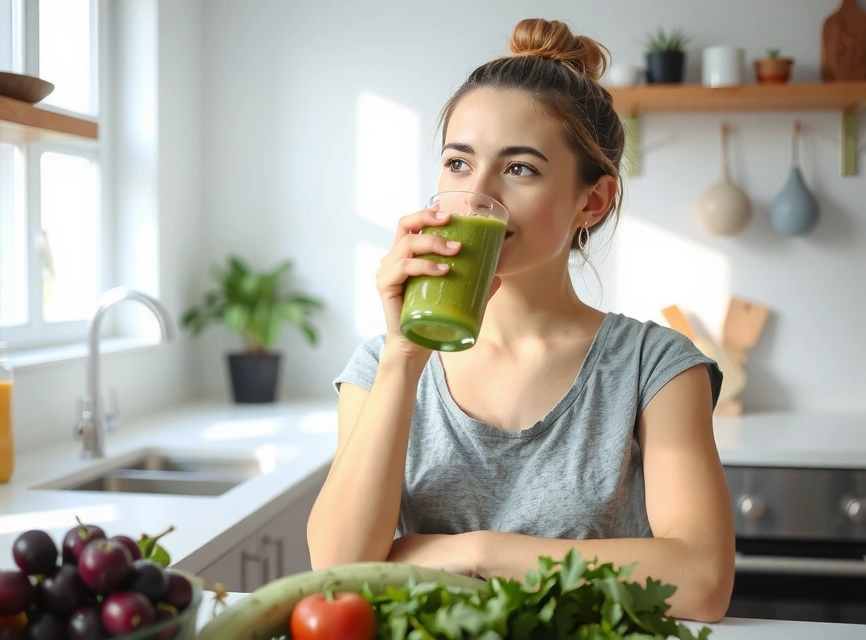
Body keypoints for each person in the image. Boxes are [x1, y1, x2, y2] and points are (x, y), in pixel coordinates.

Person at [306, 18, 736, 623]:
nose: (478, 195)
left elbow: (701, 580)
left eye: (520, 169)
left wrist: (474, 551)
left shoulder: (655, 366)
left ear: (593, 200)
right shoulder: (382, 365)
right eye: (458, 164)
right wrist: (405, 356)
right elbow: (339, 571)